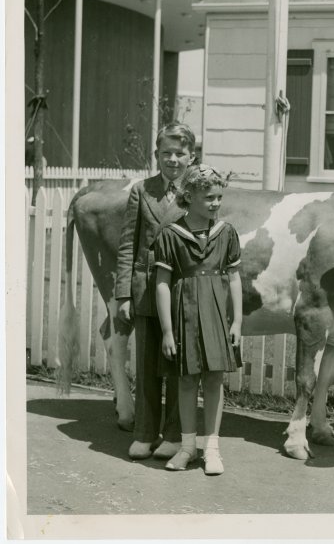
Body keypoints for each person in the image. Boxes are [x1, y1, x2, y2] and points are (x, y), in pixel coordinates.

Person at [154, 164, 243, 475]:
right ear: (189, 197)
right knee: (187, 380)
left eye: (219, 197)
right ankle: (188, 447)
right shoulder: (170, 234)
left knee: (215, 378)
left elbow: (234, 279)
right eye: (208, 198)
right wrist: (167, 330)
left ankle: (212, 449)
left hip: (217, 313)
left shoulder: (227, 233)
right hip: (185, 314)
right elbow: (162, 283)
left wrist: (237, 322)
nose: (215, 203)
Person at [116, 123, 196, 460]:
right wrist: (123, 295)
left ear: (191, 156)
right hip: (146, 291)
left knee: (178, 367)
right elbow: (126, 246)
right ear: (156, 156)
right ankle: (145, 433)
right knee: (147, 366)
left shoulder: (196, 192)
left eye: (180, 154)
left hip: (181, 293)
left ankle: (174, 435)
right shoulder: (141, 191)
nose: (173, 160)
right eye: (166, 153)